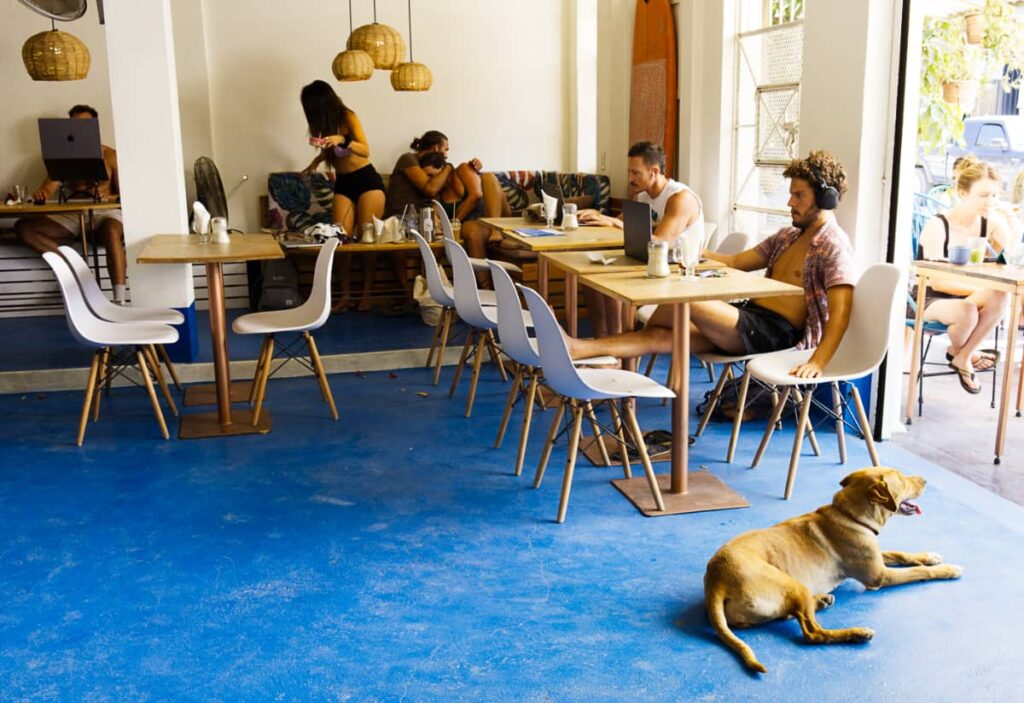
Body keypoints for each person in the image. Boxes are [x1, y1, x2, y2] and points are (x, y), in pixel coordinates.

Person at [568, 149, 857, 381]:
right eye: (791, 193)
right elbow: (733, 262)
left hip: (776, 334)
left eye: (799, 195)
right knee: (661, 333)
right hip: (748, 318)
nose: (789, 202)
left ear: (825, 198)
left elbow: (841, 314)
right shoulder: (787, 236)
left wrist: (818, 362)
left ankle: (617, 365)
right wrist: (686, 250)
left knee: (683, 298)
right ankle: (578, 349)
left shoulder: (832, 245)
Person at [575, 141, 706, 337]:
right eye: (630, 172)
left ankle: (616, 348)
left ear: (654, 172)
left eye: (636, 173)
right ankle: (603, 342)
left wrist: (614, 223)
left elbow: (661, 242)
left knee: (611, 284)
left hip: (677, 271)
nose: (630, 178)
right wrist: (599, 217)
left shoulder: (680, 199)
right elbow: (619, 225)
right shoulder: (643, 196)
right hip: (647, 262)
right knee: (589, 279)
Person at [916, 155, 1010, 394]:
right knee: (968, 311)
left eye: (994, 196)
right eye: (983, 195)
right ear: (962, 192)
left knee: (1001, 296)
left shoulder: (989, 225)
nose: (990, 202)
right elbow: (938, 281)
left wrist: (1003, 233)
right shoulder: (938, 225)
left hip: (964, 296)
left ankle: (962, 356)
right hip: (929, 297)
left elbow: (1003, 266)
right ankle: (968, 354)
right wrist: (979, 291)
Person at [15, 104, 126, 303]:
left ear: (94, 126)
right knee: (24, 228)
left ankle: (120, 299)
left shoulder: (110, 155)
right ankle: (77, 268)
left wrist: (110, 198)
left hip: (105, 213)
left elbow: (126, 195)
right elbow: (49, 188)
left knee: (111, 232)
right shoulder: (62, 156)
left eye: (84, 124)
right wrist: (42, 193)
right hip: (73, 213)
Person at [300, 80, 388, 311]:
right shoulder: (326, 124)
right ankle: (346, 295)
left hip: (367, 180)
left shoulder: (348, 116)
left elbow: (365, 149)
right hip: (344, 183)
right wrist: (317, 161)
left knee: (367, 239)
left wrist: (343, 139)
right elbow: (334, 153)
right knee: (339, 239)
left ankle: (366, 295)